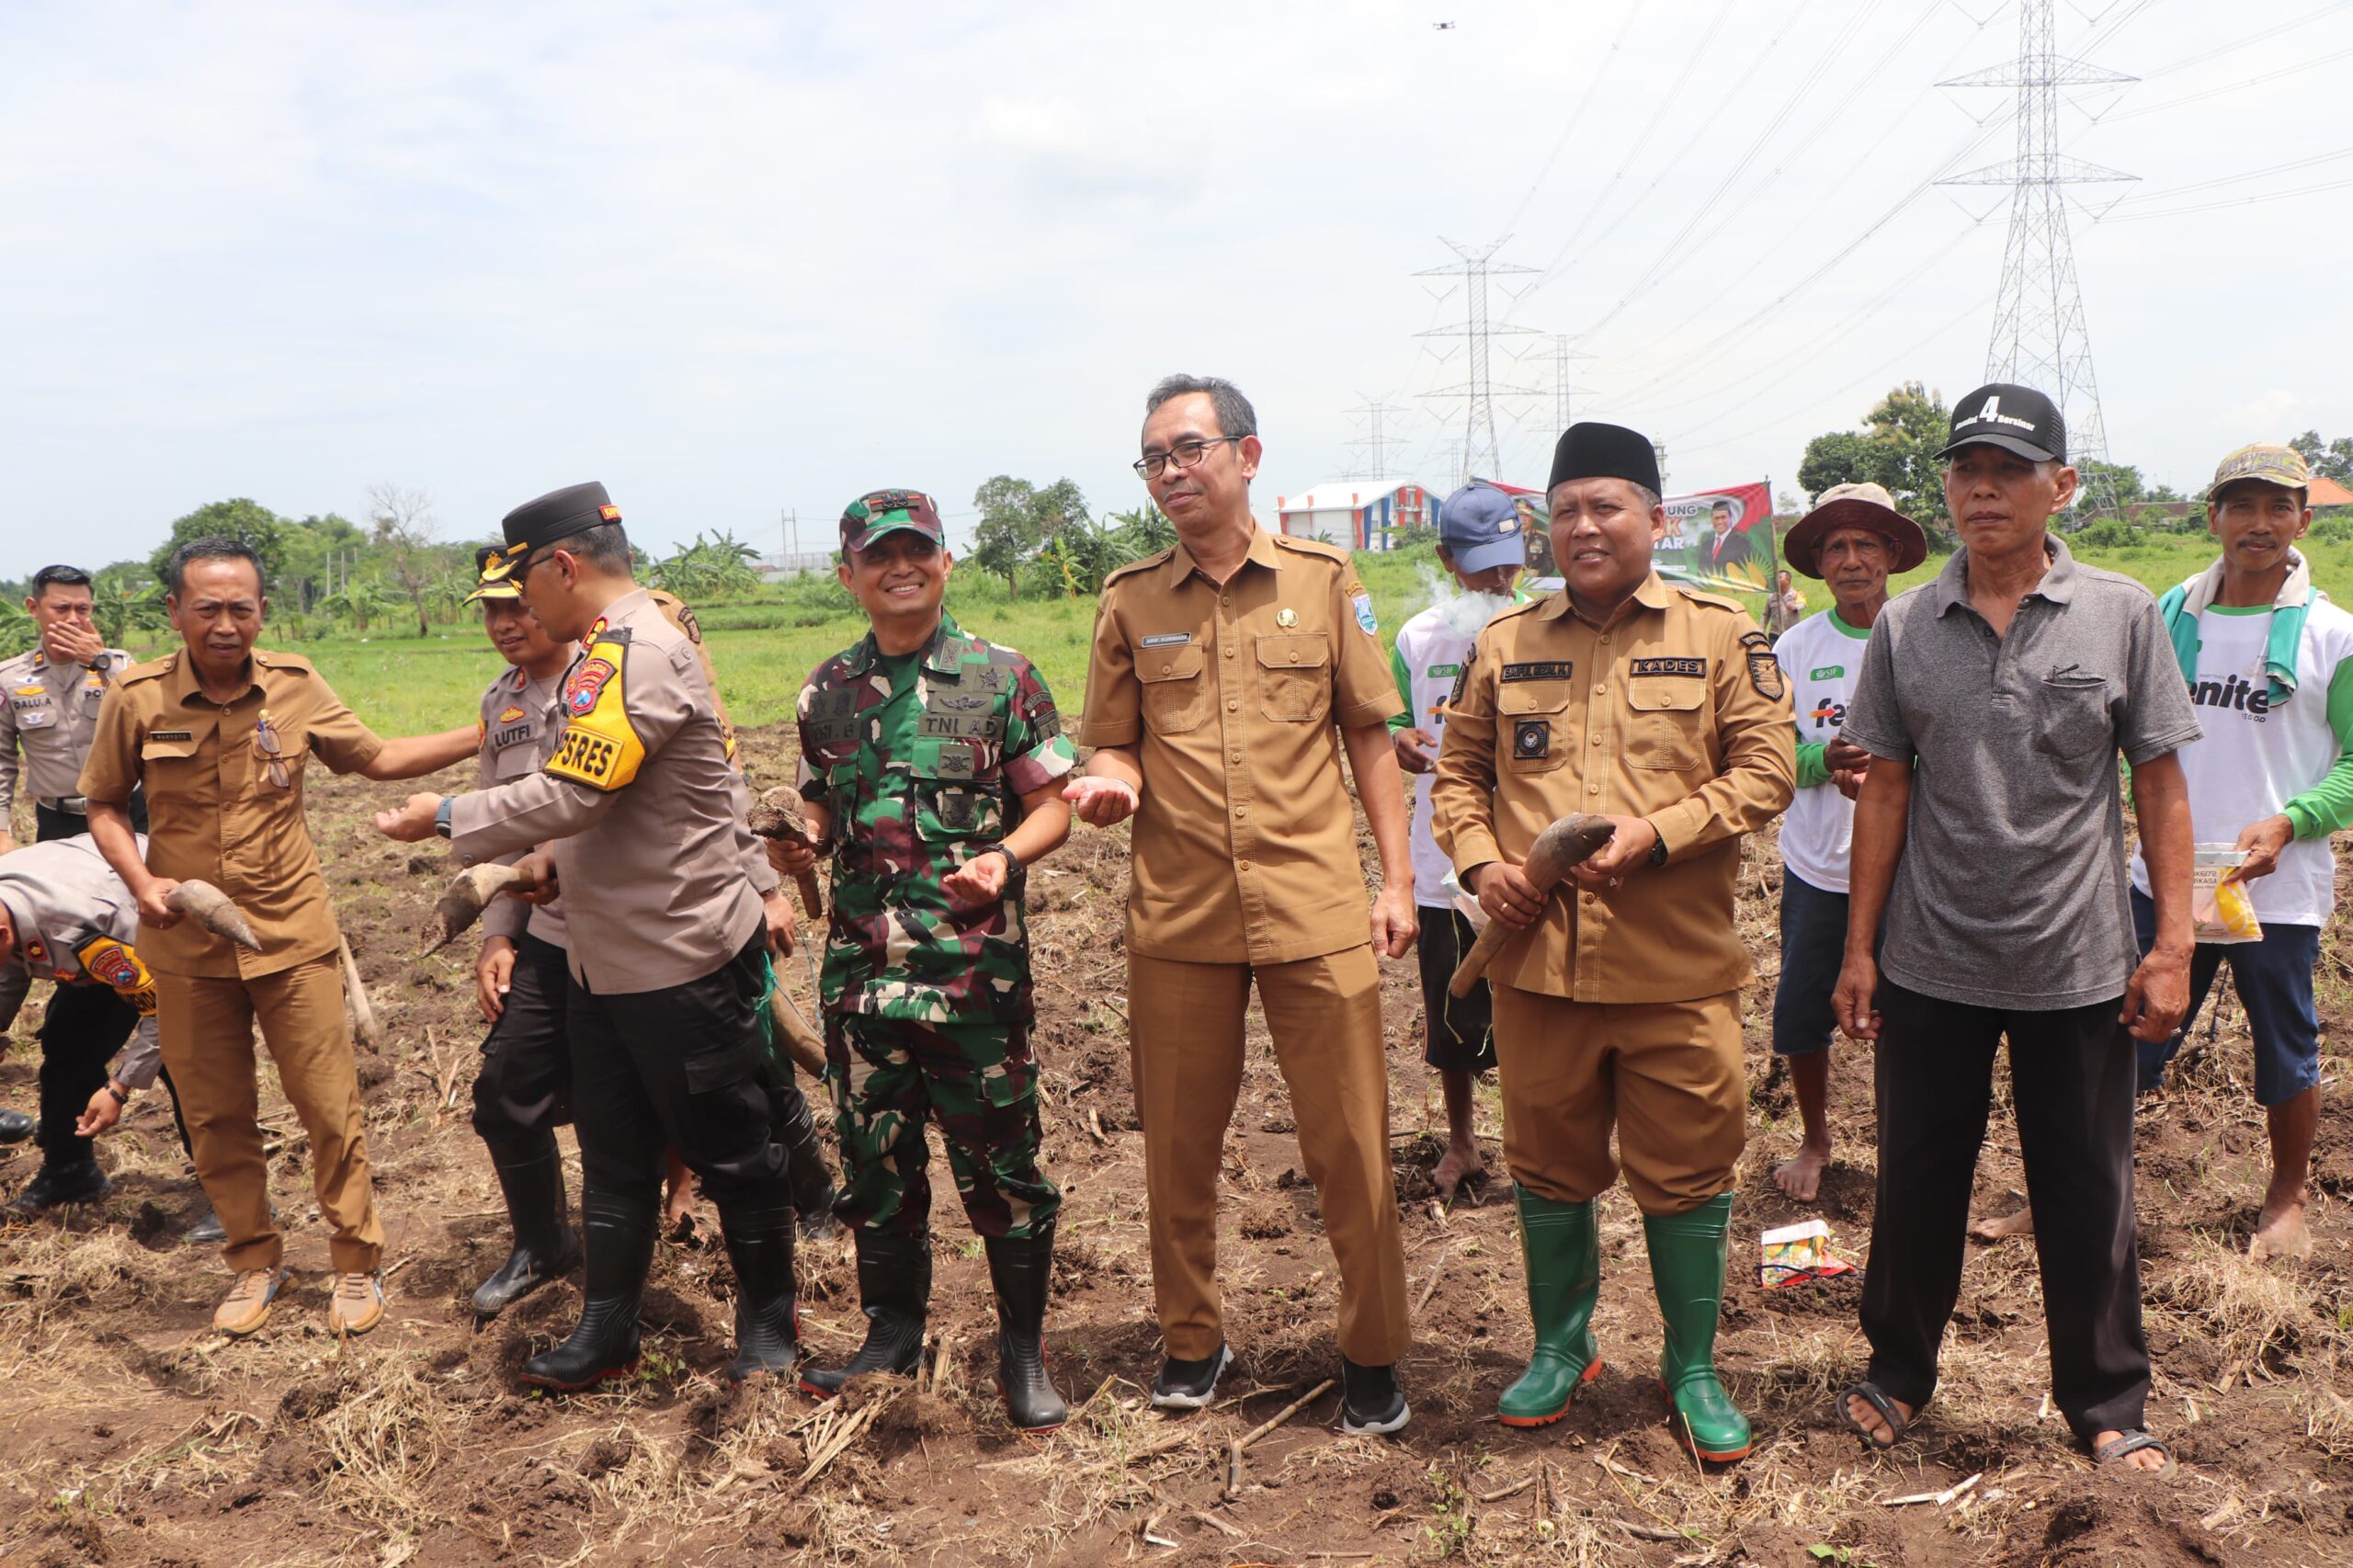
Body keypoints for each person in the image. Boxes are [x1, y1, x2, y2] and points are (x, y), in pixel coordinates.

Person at [1829, 383, 2199, 1475]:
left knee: (2087, 1189)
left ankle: (2104, 1398)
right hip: (1930, 957)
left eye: (2008, 469)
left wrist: (2170, 942)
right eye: (1963, 469)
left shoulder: (2121, 612)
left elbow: (2162, 785)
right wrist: (1858, 948)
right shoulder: (1904, 622)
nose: (1981, 489)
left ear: (2061, 485)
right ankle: (1897, 1371)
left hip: (2078, 961)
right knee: (1915, 1177)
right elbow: (1884, 790)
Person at [376, 483, 810, 1390]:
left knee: (732, 1146)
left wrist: (448, 811)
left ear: (563, 566)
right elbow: (599, 807)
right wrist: (540, 872)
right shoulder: (603, 651)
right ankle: (606, 1328)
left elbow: (578, 790)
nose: (519, 605)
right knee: (613, 1152)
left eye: (526, 584)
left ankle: (770, 1327)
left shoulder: (637, 648)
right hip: (597, 956)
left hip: (678, 953)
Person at [1431, 421, 1793, 1461]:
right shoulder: (1505, 642)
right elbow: (1457, 778)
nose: (1584, 527)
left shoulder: (1723, 632)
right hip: (1537, 969)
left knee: (1688, 1175)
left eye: (1607, 506)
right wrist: (1480, 863)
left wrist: (1656, 832)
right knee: (1546, 1170)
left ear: (1655, 518)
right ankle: (1562, 1347)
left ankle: (1691, 1366)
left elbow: (1768, 769)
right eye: (1565, 510)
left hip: (1673, 969)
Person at [1066, 374, 1419, 1435]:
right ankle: (1190, 1338)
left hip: (1312, 905)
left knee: (1350, 1143)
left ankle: (1370, 1352)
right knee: (1176, 1142)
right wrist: (1112, 777)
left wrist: (1395, 880)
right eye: (1154, 460)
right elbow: (1109, 736)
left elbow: (1368, 732)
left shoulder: (1321, 581)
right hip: (1179, 917)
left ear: (1247, 455)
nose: (1172, 473)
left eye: (1189, 450)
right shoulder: (1130, 599)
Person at [80, 538, 479, 1337]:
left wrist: (486, 731)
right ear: (174, 613)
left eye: (241, 609)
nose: (225, 625)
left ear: (262, 612)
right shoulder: (136, 696)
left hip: (291, 937)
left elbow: (376, 758)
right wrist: (142, 883)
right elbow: (102, 805)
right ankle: (253, 1263)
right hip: (187, 949)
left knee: (328, 1106)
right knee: (217, 1115)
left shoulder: (295, 687)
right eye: (207, 609)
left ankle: (356, 1263)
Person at [776, 489, 1076, 1430]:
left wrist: (1007, 855)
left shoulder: (1002, 676)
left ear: (946, 563)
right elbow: (825, 803)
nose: (900, 567)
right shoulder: (825, 692)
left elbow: (1053, 801)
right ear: (850, 574)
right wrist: (800, 834)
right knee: (876, 1167)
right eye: (880, 555)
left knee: (1003, 1170)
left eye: (918, 551)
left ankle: (1022, 1353)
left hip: (972, 972)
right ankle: (890, 1335)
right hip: (863, 978)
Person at [2131, 443, 2353, 1264]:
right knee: (2125, 1033)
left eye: (2277, 508)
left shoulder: (2333, 636)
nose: (2259, 525)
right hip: (2162, 874)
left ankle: (2287, 1200)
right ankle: (2082, 1189)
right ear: (2214, 516)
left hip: (2276, 886)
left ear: (2302, 517)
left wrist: (2294, 820)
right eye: (2241, 506)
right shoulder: (2165, 619)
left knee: (2284, 1044)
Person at [0, 565, 208, 1233]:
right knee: (68, 1019)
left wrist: (103, 663)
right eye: (61, 608)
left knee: (170, 1017)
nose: (73, 620)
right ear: (34, 608)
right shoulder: (13, 680)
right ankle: (67, 1165)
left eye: (85, 609)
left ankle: (222, 1183)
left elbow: (174, 729)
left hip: (133, 828)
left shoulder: (124, 669)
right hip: (56, 833)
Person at [1764, 484, 1927, 1202]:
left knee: (1915, 1017)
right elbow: (1769, 756)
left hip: (1918, 869)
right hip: (1818, 866)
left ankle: (1909, 1144)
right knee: (1803, 1011)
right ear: (1818, 564)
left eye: (1866, 544)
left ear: (1892, 554)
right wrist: (1822, 762)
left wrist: (1900, 778)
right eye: (1835, 546)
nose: (1851, 559)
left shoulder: (1929, 633)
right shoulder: (1794, 648)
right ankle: (1816, 1138)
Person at [1387, 480, 1528, 1204]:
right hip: (1443, 857)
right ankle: (1464, 1141)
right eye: (1483, 566)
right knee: (1452, 1003)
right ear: (1447, 560)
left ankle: (1542, 1144)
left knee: (1540, 1001)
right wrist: (1399, 740)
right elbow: (1385, 722)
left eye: (1510, 561)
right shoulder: (1417, 637)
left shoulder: (1546, 623)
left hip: (1531, 852)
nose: (1500, 579)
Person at [0, 835, 171, 1150]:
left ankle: (226, 1186)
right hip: (82, 938)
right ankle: (70, 1174)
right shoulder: (5, 900)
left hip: (157, 933)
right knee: (67, 1043)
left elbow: (168, 1011)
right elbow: (9, 969)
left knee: (186, 1066)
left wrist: (119, 1089)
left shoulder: (84, 928)